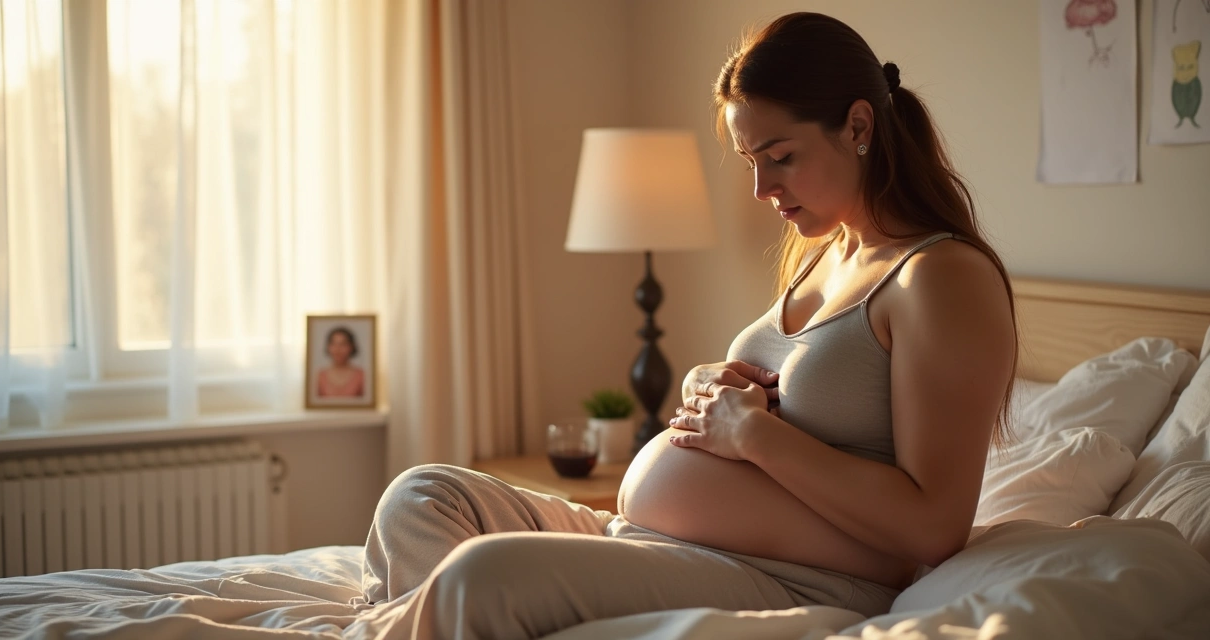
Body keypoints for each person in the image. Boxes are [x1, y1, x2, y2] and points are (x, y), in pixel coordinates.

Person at [355, 12, 1017, 639]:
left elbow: (934, 526)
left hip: (788, 579)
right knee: (420, 496)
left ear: (858, 126)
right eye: (750, 159)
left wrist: (752, 433)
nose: (761, 187)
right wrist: (712, 389)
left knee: (481, 576)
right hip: (651, 537)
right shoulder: (826, 254)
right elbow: (795, 401)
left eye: (780, 155)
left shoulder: (939, 277)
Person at [317, 327, 366, 397]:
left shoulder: (362, 376)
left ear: (351, 347)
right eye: (334, 344)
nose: (338, 349)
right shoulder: (319, 377)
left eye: (343, 344)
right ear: (328, 347)